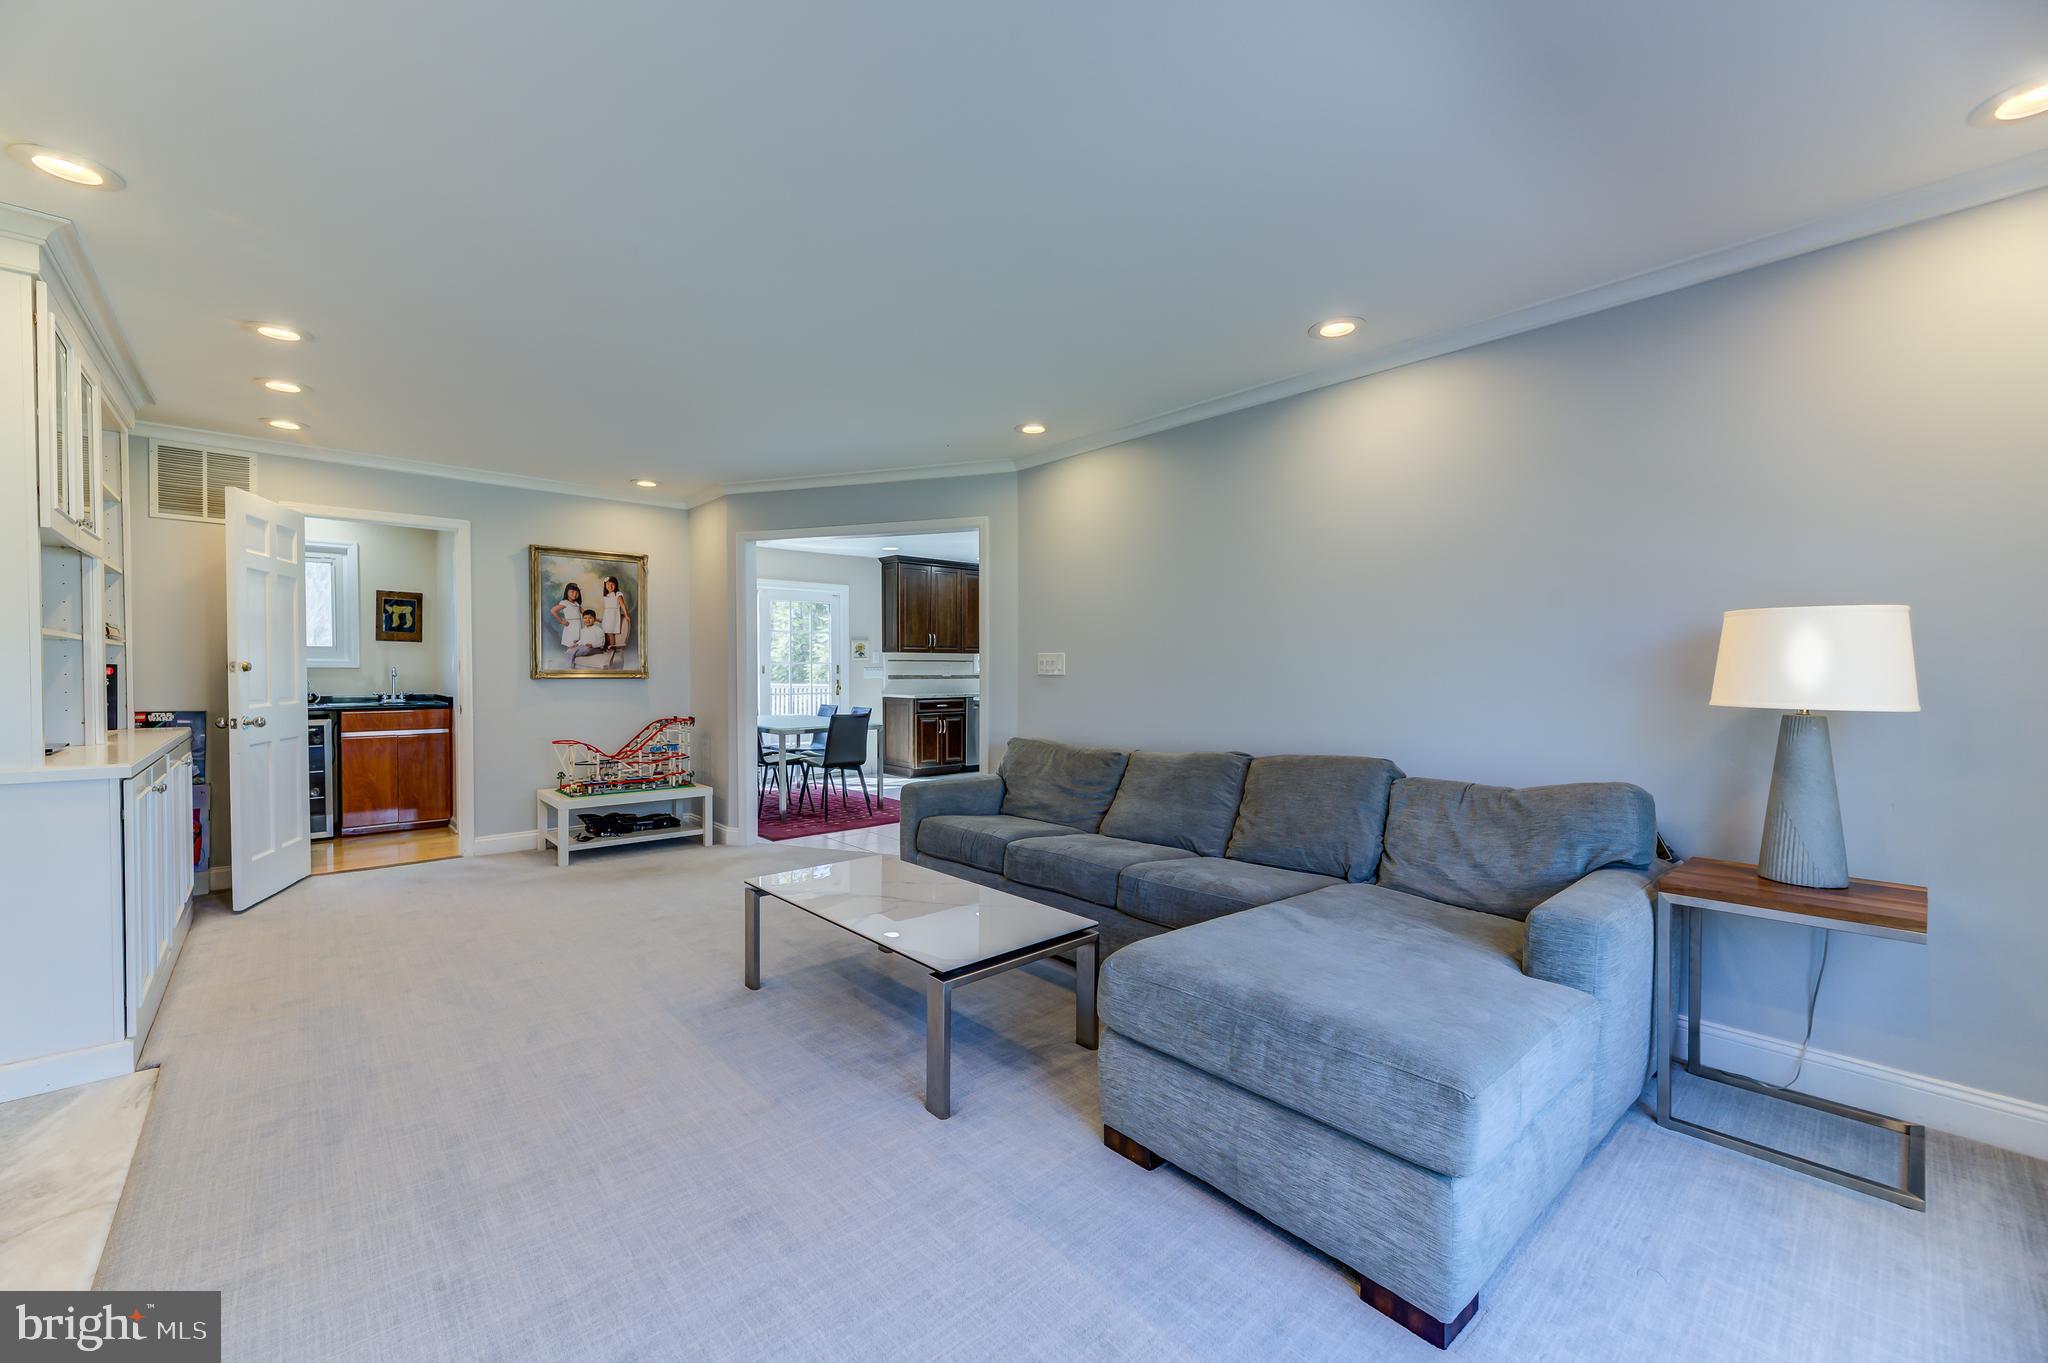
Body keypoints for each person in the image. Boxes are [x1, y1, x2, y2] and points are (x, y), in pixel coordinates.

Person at [550, 583, 584, 660]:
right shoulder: (564, 602)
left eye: (576, 592)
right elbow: (553, 610)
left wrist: (597, 619)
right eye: (572, 592)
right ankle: (568, 661)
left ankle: (575, 661)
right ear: (567, 592)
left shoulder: (576, 604)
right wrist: (561, 621)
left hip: (578, 625)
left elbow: (585, 613)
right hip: (571, 626)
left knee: (577, 644)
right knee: (571, 644)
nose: (574, 594)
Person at [600, 576, 627, 648]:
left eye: (612, 584)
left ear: (616, 585)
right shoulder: (606, 595)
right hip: (607, 615)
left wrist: (626, 615)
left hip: (613, 615)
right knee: (605, 631)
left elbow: (622, 605)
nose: (610, 586)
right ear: (605, 585)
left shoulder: (618, 594)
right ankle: (606, 647)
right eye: (608, 584)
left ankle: (612, 647)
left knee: (610, 632)